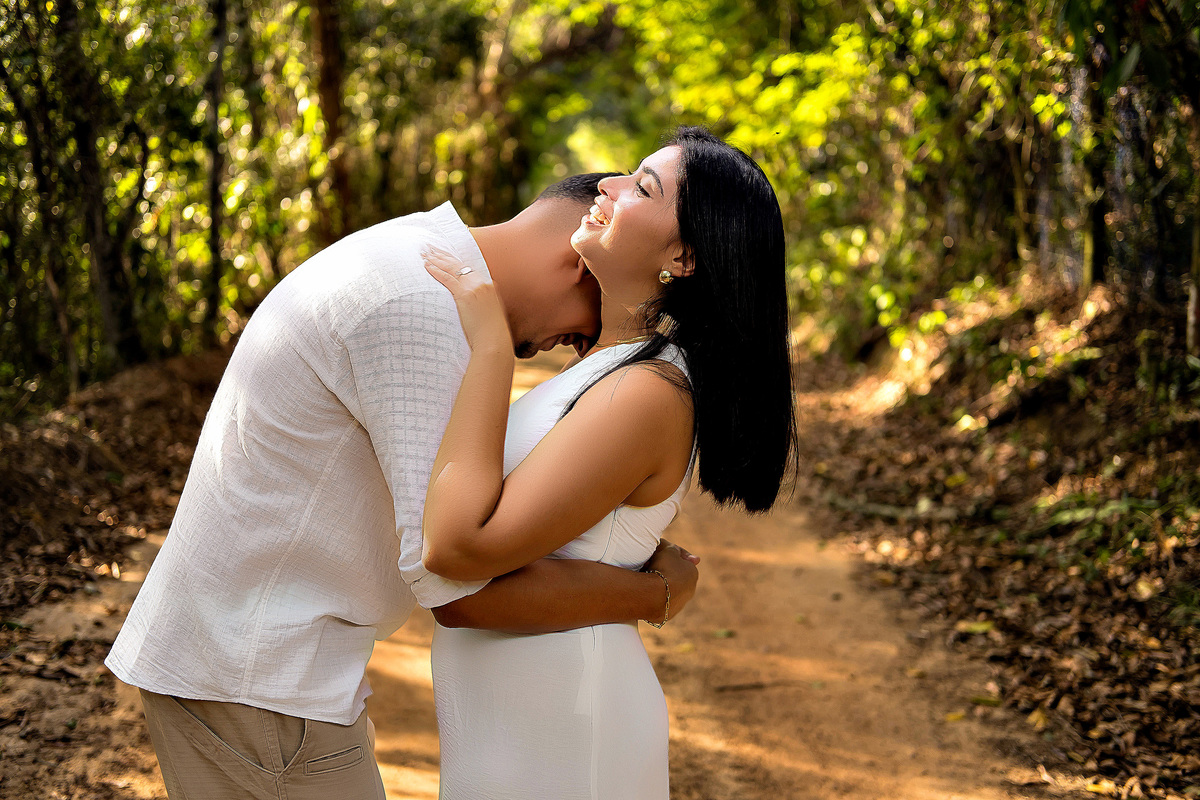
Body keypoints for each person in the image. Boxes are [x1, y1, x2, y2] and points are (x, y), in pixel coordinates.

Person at [103, 175, 702, 800]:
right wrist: (654, 589)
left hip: (258, 670)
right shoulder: (424, 311)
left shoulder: (412, 259)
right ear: (578, 260)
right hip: (255, 679)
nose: (574, 348)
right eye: (585, 330)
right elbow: (457, 584)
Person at [421, 126, 797, 799]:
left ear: (682, 257)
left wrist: (488, 346)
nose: (607, 185)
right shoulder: (607, 368)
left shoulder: (650, 392)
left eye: (642, 186)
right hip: (519, 719)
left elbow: (459, 558)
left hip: (566, 724)